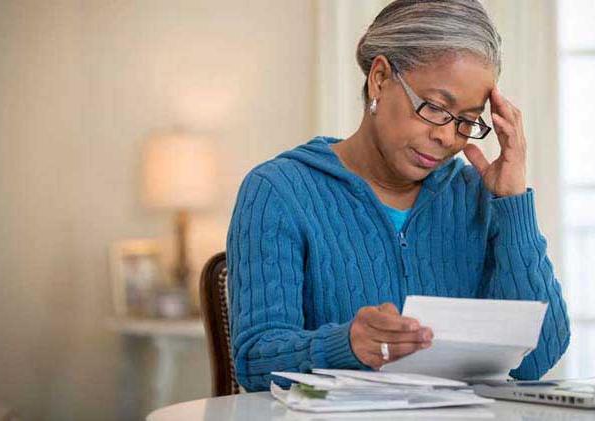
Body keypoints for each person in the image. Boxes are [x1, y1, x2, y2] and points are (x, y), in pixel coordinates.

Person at [227, 0, 570, 392]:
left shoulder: (478, 197)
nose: (446, 136)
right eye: (436, 107)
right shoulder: (279, 191)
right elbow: (254, 363)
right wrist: (346, 345)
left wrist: (512, 205)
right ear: (379, 78)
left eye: (468, 121)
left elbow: (538, 360)